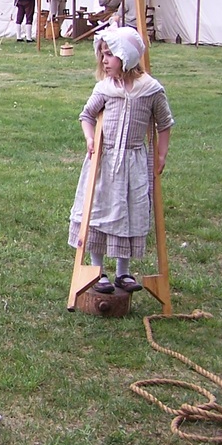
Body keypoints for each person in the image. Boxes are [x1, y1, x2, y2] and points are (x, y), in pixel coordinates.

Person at [67, 26, 173, 295]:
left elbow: (164, 123)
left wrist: (161, 154)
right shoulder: (105, 88)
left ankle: (123, 272)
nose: (104, 60)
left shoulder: (150, 90)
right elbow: (87, 115)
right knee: (100, 211)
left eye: (110, 55)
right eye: (102, 54)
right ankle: (97, 270)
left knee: (127, 212)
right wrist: (90, 140)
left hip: (133, 162)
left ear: (126, 57)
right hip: (105, 160)